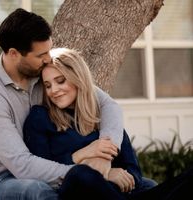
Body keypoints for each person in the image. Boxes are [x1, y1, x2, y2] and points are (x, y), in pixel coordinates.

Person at [0, 8, 127, 200]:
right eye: (40, 55)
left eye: (49, 50)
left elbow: (107, 104)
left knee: (147, 186)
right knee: (39, 192)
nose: (48, 59)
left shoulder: (44, 73)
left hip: (58, 166)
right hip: (2, 180)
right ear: (13, 54)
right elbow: (22, 166)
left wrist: (104, 154)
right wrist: (93, 176)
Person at [23, 48, 193, 200]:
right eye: (47, 85)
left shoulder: (105, 117)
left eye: (60, 81)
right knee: (80, 174)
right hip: (79, 193)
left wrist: (113, 178)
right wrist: (87, 157)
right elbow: (42, 171)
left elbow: (133, 170)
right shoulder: (40, 118)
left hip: (118, 194)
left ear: (78, 79)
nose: (53, 90)